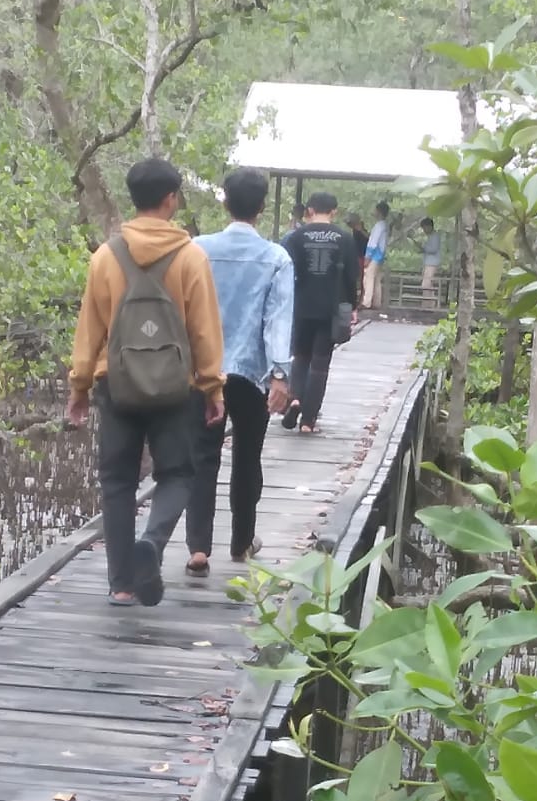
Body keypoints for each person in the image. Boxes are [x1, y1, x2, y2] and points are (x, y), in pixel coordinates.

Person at [67, 157, 225, 608]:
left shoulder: (105, 257)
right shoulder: (192, 257)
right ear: (171, 199)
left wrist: (79, 388)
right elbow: (204, 330)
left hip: (116, 386)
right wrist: (213, 388)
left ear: (133, 199)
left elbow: (89, 332)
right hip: (177, 390)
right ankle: (152, 544)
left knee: (117, 481)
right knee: (177, 474)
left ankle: (121, 584)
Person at [184, 168, 294, 576]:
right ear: (263, 207)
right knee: (247, 455)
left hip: (202, 371)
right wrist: (280, 375)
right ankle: (242, 540)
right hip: (251, 374)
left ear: (224, 202)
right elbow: (277, 320)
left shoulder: (196, 250)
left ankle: (198, 546)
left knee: (202, 456)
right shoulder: (276, 258)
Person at [282, 190, 359, 435]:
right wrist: (353, 306)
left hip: (301, 306)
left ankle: (294, 398)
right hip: (332, 308)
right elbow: (351, 277)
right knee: (320, 364)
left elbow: (285, 273)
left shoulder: (296, 237)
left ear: (310, 211)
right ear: (334, 211)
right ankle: (308, 420)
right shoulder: (345, 238)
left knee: (300, 356)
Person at [363, 200, 390, 311]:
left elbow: (373, 242)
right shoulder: (385, 225)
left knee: (368, 277)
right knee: (376, 279)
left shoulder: (379, 226)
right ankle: (376, 302)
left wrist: (368, 256)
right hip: (380, 255)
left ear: (379, 211)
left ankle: (366, 302)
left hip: (374, 255)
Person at [419, 217, 442, 296]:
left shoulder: (435, 236)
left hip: (432, 263)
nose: (424, 230)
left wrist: (424, 248)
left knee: (426, 284)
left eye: (424, 228)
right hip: (428, 262)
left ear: (429, 226)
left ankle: (426, 303)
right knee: (429, 284)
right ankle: (430, 304)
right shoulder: (431, 236)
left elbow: (434, 249)